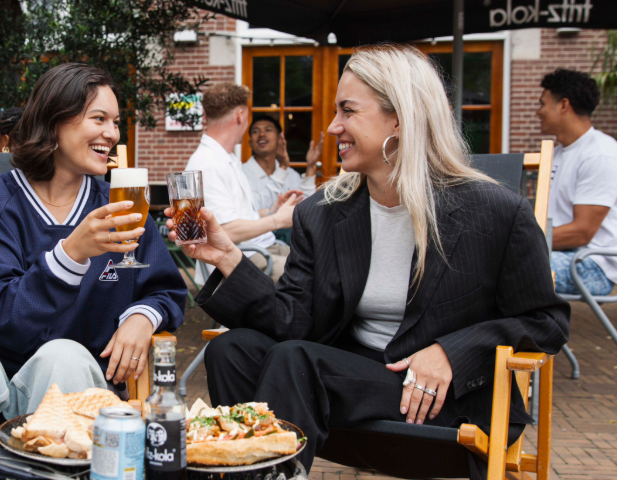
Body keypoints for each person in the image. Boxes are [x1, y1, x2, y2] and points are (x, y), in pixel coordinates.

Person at [170, 45, 569, 480]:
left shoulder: (494, 211)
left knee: (296, 360)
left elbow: (546, 321)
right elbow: (295, 322)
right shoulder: (322, 213)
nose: (332, 126)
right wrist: (228, 256)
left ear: (400, 117)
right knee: (232, 349)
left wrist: (452, 353)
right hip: (352, 380)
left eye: (348, 111)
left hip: (444, 400)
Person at [0, 64, 187, 480]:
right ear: (54, 122)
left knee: (64, 354)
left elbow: (165, 288)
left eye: (115, 123)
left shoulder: (121, 208)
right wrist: (71, 253)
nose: (113, 134)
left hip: (72, 380)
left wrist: (143, 317)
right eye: (99, 119)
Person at [537, 68, 617, 296]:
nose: (538, 111)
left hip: (591, 265)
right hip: (561, 253)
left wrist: (521, 240)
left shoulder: (601, 155)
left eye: (543, 104)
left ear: (563, 105)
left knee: (504, 269)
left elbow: (582, 233)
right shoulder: (559, 154)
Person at [184, 83, 300, 283]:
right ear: (239, 115)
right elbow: (224, 230)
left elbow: (234, 215)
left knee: (320, 260)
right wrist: (278, 220)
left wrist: (272, 211)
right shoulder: (209, 164)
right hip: (244, 261)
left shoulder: (223, 158)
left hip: (259, 250)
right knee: (317, 277)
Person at [243, 113, 322, 212]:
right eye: (256, 131)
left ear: (279, 139)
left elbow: (306, 205)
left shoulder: (291, 174)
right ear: (250, 143)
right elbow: (254, 209)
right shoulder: (241, 172)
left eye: (268, 130)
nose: (262, 134)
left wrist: (311, 167)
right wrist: (282, 168)